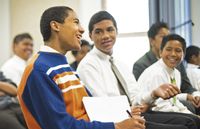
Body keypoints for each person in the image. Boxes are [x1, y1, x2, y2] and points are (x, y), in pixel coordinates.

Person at [17, 6, 147, 129]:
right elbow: (60, 126)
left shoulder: (62, 66)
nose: (82, 29)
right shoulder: (39, 70)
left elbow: (90, 108)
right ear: (55, 26)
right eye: (76, 22)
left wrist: (123, 113)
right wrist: (116, 126)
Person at [77, 10, 199, 129]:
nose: (106, 36)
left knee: (192, 121)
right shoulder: (88, 65)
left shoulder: (120, 64)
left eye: (110, 30)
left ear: (116, 31)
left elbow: (135, 97)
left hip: (135, 113)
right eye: (98, 32)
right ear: (90, 36)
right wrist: (131, 108)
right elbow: (101, 103)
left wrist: (153, 93)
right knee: (184, 125)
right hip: (117, 120)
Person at [132, 22, 200, 114]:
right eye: (163, 37)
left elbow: (182, 90)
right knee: (189, 118)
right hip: (149, 108)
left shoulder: (176, 69)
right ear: (152, 41)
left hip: (169, 104)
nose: (173, 54)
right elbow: (156, 102)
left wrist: (190, 96)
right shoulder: (143, 65)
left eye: (178, 50)